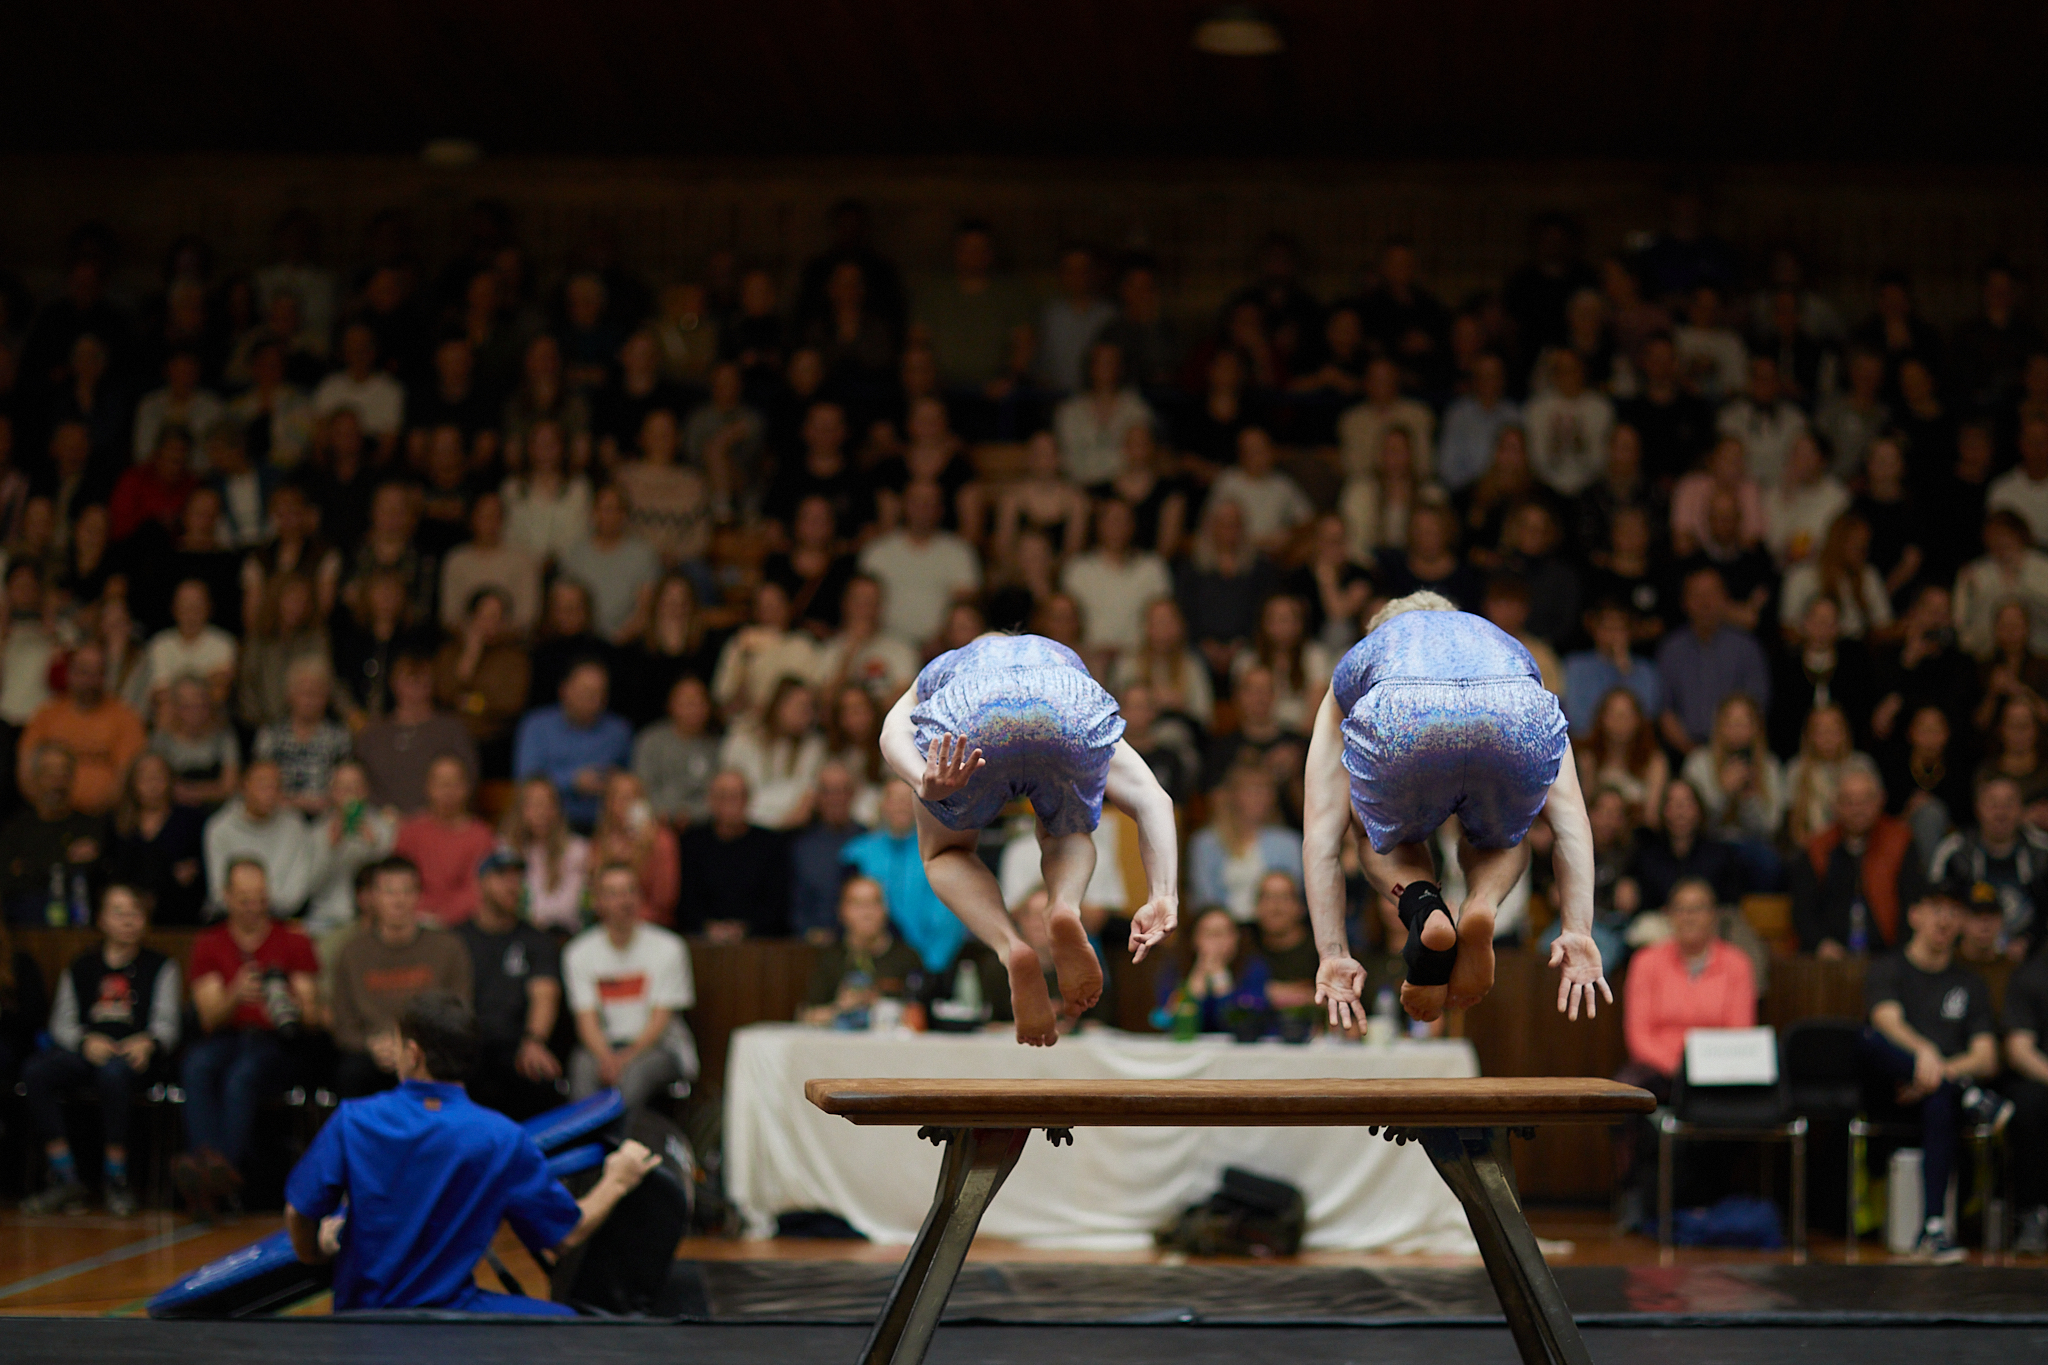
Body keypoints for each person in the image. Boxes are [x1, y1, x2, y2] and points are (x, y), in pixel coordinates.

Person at [1302, 593, 1608, 1026]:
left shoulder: (1369, 656)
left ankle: (1424, 906)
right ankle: (1482, 902)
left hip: (1403, 712)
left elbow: (1321, 834)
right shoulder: (1500, 645)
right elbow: (1570, 819)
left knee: (1370, 831)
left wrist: (1332, 952)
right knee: (1509, 833)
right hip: (1511, 704)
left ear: (1384, 635)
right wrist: (1578, 929)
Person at [879, 631, 1180, 1046]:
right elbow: (1153, 798)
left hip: (971, 719)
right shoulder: (1058, 660)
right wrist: (1163, 893)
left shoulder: (951, 664)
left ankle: (1011, 948)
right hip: (1062, 708)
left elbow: (889, 733)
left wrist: (921, 781)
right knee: (1068, 828)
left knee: (945, 853)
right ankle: (1063, 907)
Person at [285, 990, 662, 1315]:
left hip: (359, 1319)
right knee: (566, 1323)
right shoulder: (499, 1137)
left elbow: (299, 1213)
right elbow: (565, 1235)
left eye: (397, 1044)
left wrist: (315, 1253)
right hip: (449, 1318)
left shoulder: (354, 1119)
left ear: (413, 1053)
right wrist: (617, 1179)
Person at [1859, 884, 2014, 1263]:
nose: (1944, 919)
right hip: (1890, 1090)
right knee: (1867, 1040)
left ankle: (1932, 1229)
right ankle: (1969, 1095)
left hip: (1933, 1096)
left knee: (1939, 1098)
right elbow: (1886, 1022)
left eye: (1953, 911)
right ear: (1915, 915)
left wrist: (1938, 1073)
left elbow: (1986, 1057)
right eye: (1935, 909)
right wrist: (1925, 1053)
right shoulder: (1887, 969)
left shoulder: (1969, 984)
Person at [19, 884, 181, 1217]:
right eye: (118, 912)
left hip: (135, 1055)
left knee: (114, 1075)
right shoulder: (81, 965)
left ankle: (116, 1178)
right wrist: (84, 1042)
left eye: (135, 912)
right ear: (102, 919)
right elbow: (60, 1022)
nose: (128, 920)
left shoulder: (161, 965)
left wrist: (149, 1041)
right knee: (36, 1072)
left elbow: (168, 1023)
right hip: (87, 1048)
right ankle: (64, 1176)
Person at [177, 858, 318, 1218]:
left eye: (259, 897)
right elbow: (209, 1018)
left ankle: (213, 1179)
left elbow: (311, 1015)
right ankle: (216, 1174)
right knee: (196, 1065)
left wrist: (287, 999)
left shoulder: (293, 940)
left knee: (243, 1076)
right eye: (244, 898)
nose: (253, 906)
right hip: (226, 1035)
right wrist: (236, 993)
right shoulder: (210, 943)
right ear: (226, 897)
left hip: (276, 1042)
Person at [329, 856, 473, 1098]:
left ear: (418, 896)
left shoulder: (449, 947)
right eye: (389, 892)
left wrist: (416, 1049)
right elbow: (342, 1025)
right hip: (372, 1053)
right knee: (349, 1074)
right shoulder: (352, 952)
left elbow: (461, 1011)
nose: (398, 901)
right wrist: (371, 1045)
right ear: (372, 898)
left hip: (432, 1053)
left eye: (407, 891)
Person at [564, 861, 699, 1109]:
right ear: (598, 902)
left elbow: (661, 1020)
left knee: (633, 1076)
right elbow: (586, 1021)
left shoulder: (669, 947)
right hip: (603, 1048)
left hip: (658, 1049)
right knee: (581, 1067)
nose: (623, 901)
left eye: (630, 891)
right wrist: (607, 1058)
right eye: (613, 893)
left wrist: (625, 1058)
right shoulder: (579, 952)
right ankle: (587, 1146)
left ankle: (622, 1147)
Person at [459, 850, 565, 1120]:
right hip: (469, 1046)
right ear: (480, 883)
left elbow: (545, 994)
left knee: (537, 1078)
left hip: (517, 1045)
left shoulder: (536, 940)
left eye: (517, 878)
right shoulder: (456, 940)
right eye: (501, 876)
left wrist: (535, 1040)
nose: (511, 884)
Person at [1790, 763, 1920, 957]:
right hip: (1828, 960)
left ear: (1880, 800)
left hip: (1890, 958)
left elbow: (1912, 906)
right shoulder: (1817, 849)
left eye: (1865, 801)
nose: (1857, 810)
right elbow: (1802, 912)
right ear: (1835, 805)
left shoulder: (1900, 842)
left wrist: (1899, 957)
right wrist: (1821, 944)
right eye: (1849, 802)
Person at [17, 641, 145, 817]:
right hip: (49, 816)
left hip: (106, 818)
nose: (90, 680)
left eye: (98, 672)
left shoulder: (126, 717)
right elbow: (27, 772)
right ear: (69, 673)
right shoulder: (46, 715)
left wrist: (95, 813)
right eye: (84, 671)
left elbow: (128, 778)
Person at [1926, 775, 2048, 958]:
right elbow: (1934, 911)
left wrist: (2029, 942)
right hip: (1964, 958)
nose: (2001, 812)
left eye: (2009, 804)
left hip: (2032, 960)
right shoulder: (1955, 852)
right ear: (1978, 809)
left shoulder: (2042, 853)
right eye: (1993, 804)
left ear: (2022, 809)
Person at [514, 658, 634, 831]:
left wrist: (613, 782)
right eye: (585, 690)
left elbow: (630, 781)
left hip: (604, 827)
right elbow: (526, 779)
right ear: (564, 690)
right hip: (548, 825)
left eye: (599, 692)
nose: (592, 698)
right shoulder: (537, 726)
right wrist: (572, 781)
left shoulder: (619, 732)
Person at [355, 650, 479, 813]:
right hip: (379, 822)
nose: (416, 684)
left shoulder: (451, 731)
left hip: (438, 821)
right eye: (409, 678)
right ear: (393, 682)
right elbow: (356, 782)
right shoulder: (373, 734)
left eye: (422, 678)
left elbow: (469, 778)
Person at [0, 743, 109, 924]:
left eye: (64, 773)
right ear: (35, 778)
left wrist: (30, 867)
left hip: (80, 926)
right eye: (49, 773)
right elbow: (9, 883)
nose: (57, 783)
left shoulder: (91, 826)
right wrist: (65, 861)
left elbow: (95, 877)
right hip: (25, 928)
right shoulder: (15, 829)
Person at [674, 769, 789, 940]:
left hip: (759, 943)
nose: (729, 803)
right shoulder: (691, 842)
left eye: (736, 796)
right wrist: (708, 928)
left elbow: (776, 902)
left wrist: (745, 929)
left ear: (748, 800)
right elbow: (685, 899)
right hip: (702, 941)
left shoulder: (771, 844)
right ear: (710, 799)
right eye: (722, 796)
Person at [801, 874, 926, 1024]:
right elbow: (805, 1015)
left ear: (886, 909)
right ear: (842, 911)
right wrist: (840, 1007)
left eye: (874, 903)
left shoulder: (907, 957)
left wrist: (882, 1006)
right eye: (858, 904)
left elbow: (923, 1015)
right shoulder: (830, 957)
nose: (867, 913)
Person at [202, 760, 321, 919]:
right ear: (244, 786)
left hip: (282, 919)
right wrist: (251, 905)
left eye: (276, 786)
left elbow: (295, 894)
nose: (270, 793)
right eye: (263, 785)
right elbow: (219, 893)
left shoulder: (295, 827)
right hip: (230, 919)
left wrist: (259, 904)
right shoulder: (219, 829)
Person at [393, 754, 497, 927]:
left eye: (454, 783)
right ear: (428, 787)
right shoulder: (410, 831)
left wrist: (445, 917)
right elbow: (399, 879)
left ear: (467, 788)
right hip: (413, 921)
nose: (448, 791)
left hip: (465, 925)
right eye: (441, 784)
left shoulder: (481, 836)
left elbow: (478, 888)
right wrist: (421, 913)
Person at [788, 762, 868, 940]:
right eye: (828, 791)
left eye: (842, 790)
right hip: (810, 943)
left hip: (861, 942)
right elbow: (793, 901)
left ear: (852, 794)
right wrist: (807, 932)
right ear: (817, 797)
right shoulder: (800, 844)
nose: (835, 798)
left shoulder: (869, 840)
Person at [2004, 948, 2048, 1253]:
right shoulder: (2031, 976)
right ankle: (2033, 1213)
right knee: (2029, 1103)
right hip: (2042, 1078)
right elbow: (2019, 1050)